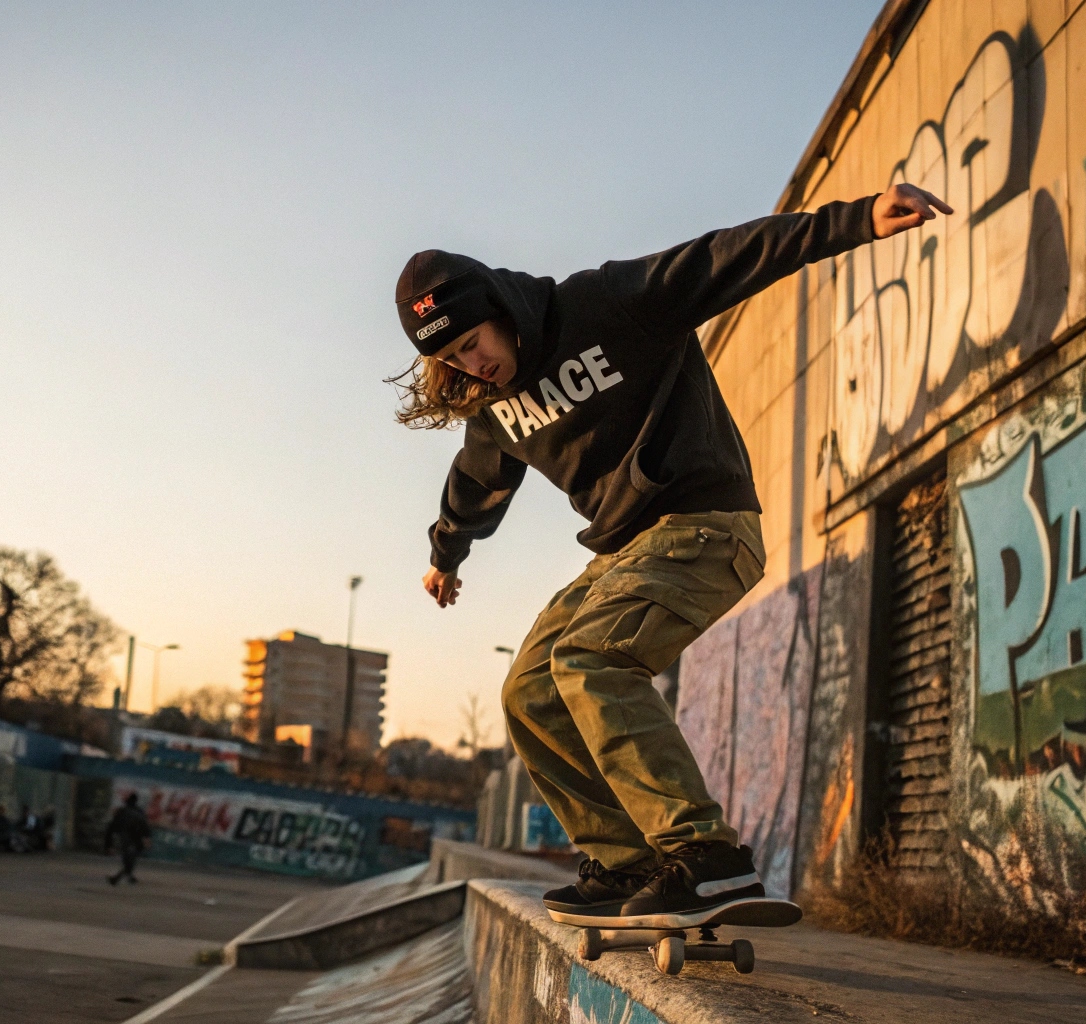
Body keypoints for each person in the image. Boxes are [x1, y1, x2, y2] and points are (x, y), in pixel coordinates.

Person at [391, 183, 950, 928]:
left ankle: (707, 859)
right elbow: (476, 480)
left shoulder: (603, 304)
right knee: (529, 691)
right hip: (622, 552)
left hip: (706, 523)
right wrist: (447, 553)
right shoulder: (488, 405)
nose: (476, 364)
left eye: (475, 341)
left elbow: (723, 259)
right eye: (456, 359)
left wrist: (852, 222)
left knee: (590, 661)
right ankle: (627, 864)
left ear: (497, 305)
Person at [106, 792, 152, 885]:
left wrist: (109, 845)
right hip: (137, 839)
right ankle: (125, 876)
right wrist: (147, 838)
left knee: (128, 858)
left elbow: (111, 828)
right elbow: (145, 826)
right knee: (131, 859)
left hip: (126, 838)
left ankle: (119, 877)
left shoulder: (122, 812)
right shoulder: (139, 812)